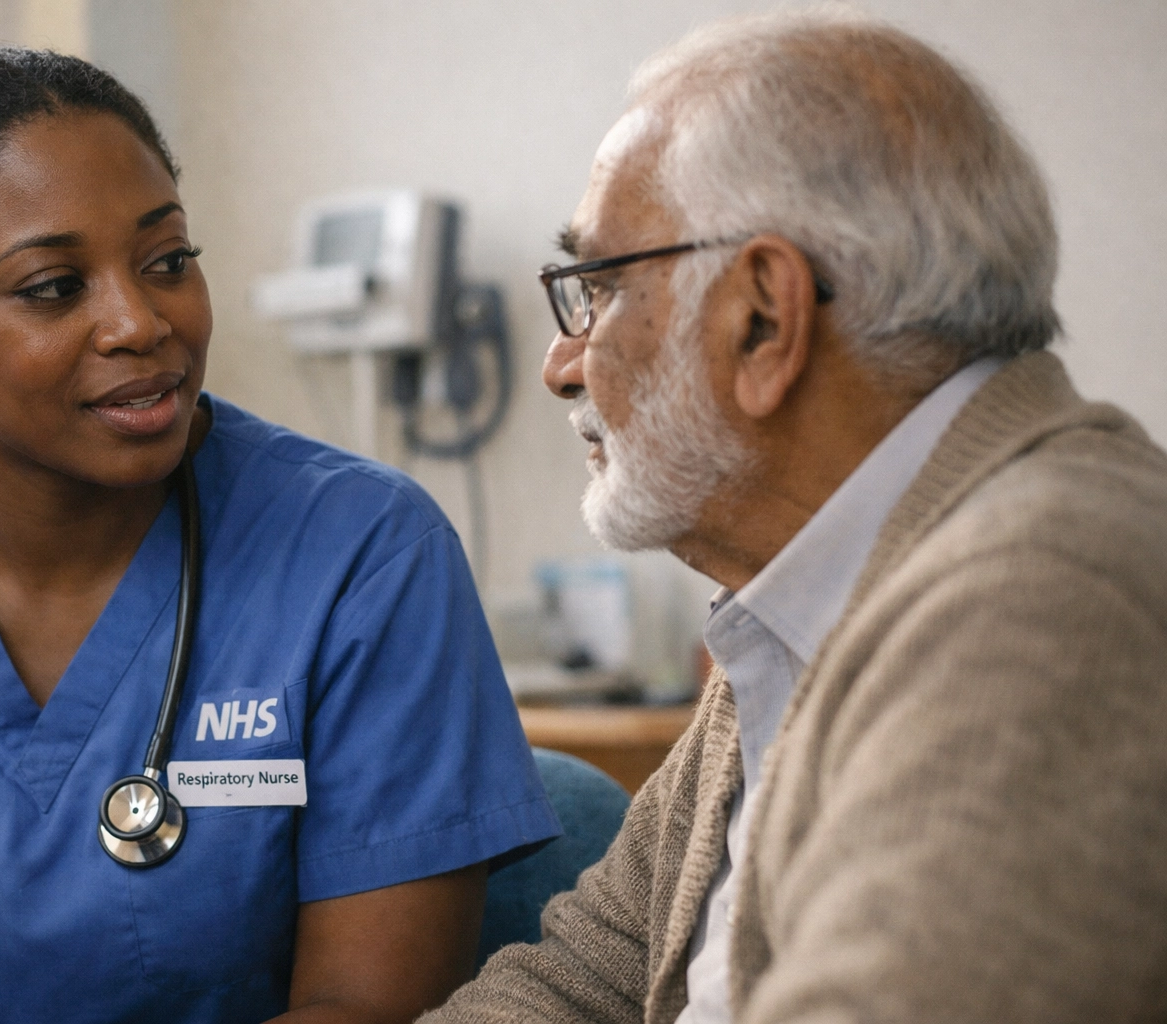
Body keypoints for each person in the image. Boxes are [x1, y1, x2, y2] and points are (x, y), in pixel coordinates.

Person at [0, 49, 560, 1024]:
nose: (139, 322)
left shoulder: (363, 555)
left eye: (167, 262)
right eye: (53, 285)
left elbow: (367, 1007)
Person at [423, 9, 1167, 1024]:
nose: (563, 365)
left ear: (763, 314)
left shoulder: (1045, 598)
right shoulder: (801, 608)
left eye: (595, 291)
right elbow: (574, 985)